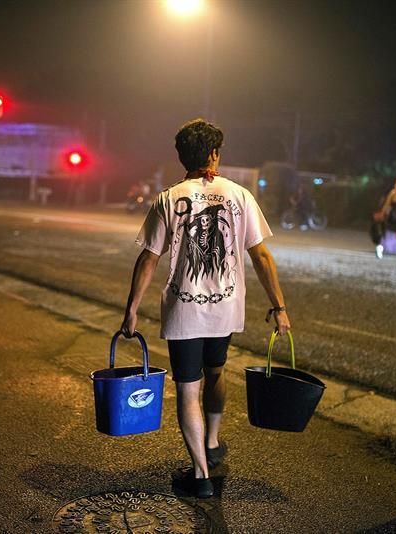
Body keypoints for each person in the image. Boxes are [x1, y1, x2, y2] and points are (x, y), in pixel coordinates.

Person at [120, 119, 291, 498]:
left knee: (188, 390)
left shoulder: (168, 198)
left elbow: (148, 258)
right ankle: (212, 443)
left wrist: (131, 309)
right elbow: (261, 256)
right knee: (216, 372)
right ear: (214, 154)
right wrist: (279, 307)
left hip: (184, 312)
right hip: (226, 309)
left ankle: (201, 475)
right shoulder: (240, 195)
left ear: (182, 156)